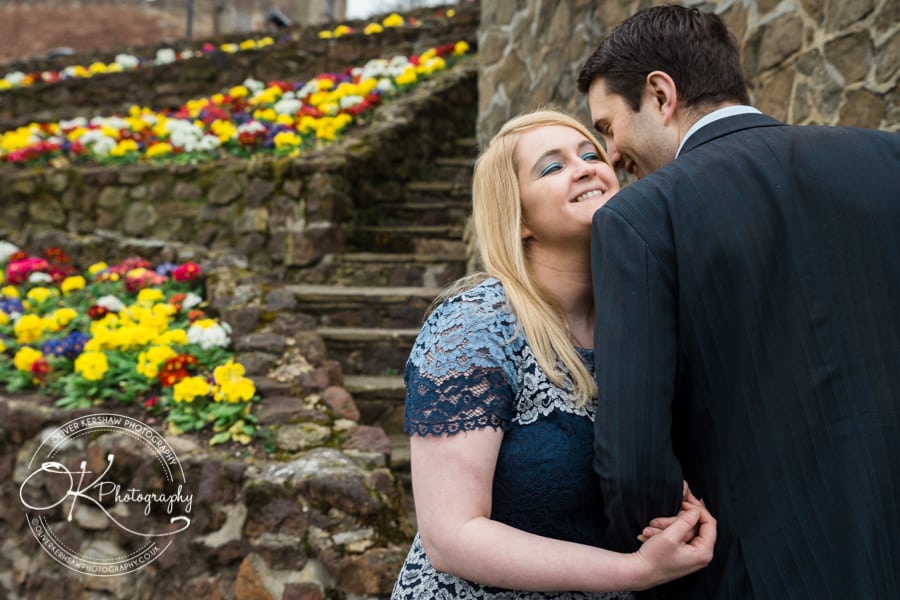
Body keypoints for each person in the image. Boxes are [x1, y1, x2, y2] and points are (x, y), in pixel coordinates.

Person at [577, 5, 900, 599]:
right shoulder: (888, 162)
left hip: (755, 576)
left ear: (660, 94)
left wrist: (658, 552)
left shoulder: (641, 219)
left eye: (607, 126)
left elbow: (635, 463)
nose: (612, 154)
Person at [391, 109, 716, 599]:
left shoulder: (642, 320)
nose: (586, 167)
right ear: (518, 218)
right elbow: (451, 536)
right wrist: (635, 571)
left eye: (591, 154)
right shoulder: (476, 325)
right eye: (552, 167)